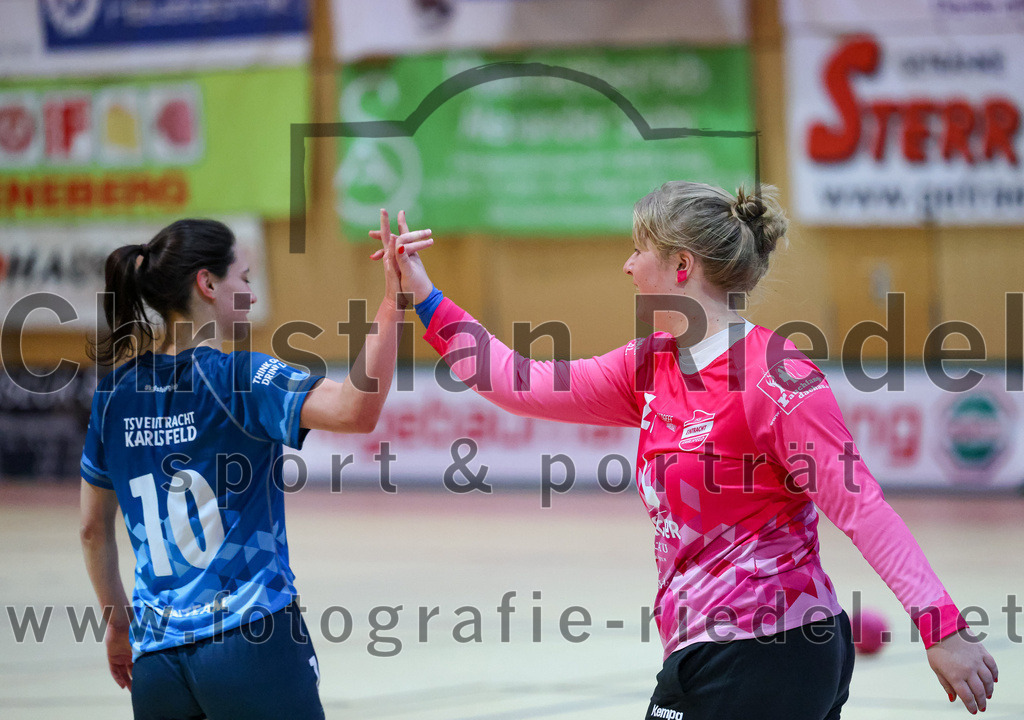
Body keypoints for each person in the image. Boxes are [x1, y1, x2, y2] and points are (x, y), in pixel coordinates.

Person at [372, 184, 999, 719]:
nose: (626, 266)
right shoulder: (650, 367)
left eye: (638, 249)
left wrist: (940, 625)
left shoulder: (777, 381)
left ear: (679, 265)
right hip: (713, 648)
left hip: (767, 649)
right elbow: (515, 380)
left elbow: (863, 510)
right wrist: (424, 295)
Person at [79, 213, 431, 719]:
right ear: (207, 284)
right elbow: (356, 409)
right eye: (244, 279)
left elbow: (93, 530)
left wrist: (118, 624)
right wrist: (395, 301)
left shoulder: (113, 395)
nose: (251, 294)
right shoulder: (239, 376)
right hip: (250, 640)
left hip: (156, 661)